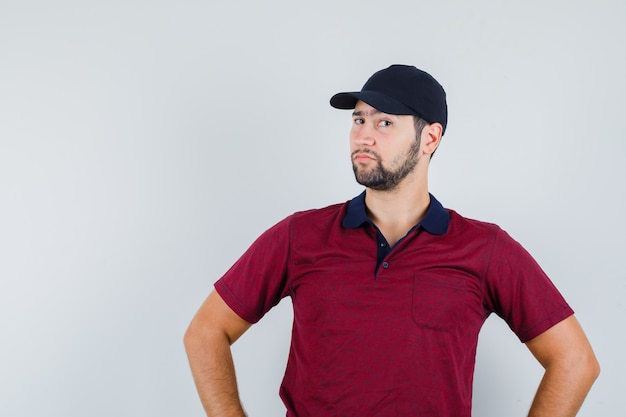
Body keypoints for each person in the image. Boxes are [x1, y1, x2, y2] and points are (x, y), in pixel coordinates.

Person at [184, 64, 600, 417]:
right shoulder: (300, 236)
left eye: (385, 122)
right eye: (359, 119)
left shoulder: (485, 248)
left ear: (430, 139)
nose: (363, 135)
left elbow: (575, 360)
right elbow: (206, 331)